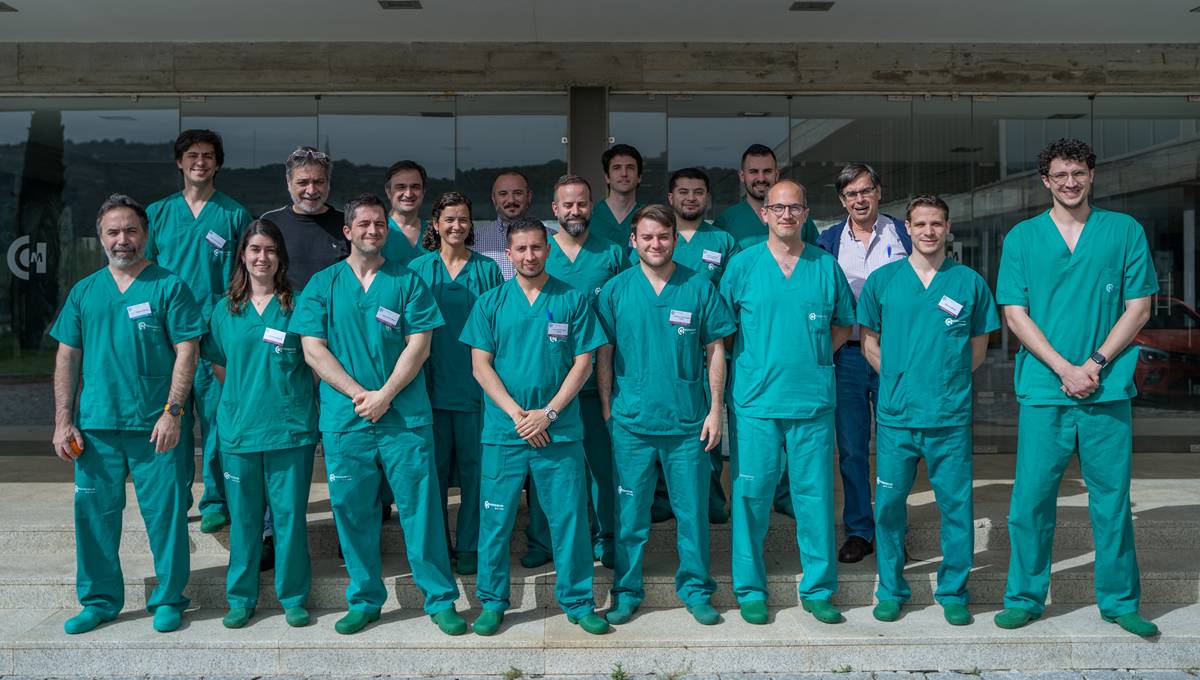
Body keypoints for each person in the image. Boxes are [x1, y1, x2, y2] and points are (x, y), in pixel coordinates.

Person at [995, 138, 1160, 637]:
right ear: (1045, 180)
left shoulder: (1124, 231)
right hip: (1045, 390)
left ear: (1092, 175)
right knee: (1031, 501)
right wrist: (1064, 368)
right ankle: (1024, 597)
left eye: (1079, 173)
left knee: (1111, 501)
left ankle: (1120, 601)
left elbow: (1139, 308)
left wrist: (1093, 363)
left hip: (1106, 389)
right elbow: (1015, 314)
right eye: (1061, 175)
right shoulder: (1022, 238)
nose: (1071, 182)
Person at [292, 193, 466, 636]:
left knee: (421, 509)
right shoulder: (323, 284)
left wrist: (385, 395)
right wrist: (360, 395)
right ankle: (365, 599)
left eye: (379, 224)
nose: (373, 231)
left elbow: (419, 345)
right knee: (352, 511)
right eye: (364, 224)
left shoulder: (407, 281)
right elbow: (313, 350)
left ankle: (440, 598)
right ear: (347, 231)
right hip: (346, 419)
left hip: (404, 418)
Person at [50, 194, 204, 634]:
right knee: (94, 517)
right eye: (113, 232)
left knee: (166, 516)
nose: (123, 239)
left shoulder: (169, 286)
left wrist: (173, 411)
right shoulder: (84, 292)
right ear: (100, 238)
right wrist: (63, 419)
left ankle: (169, 598)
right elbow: (67, 357)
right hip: (96, 426)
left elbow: (187, 351)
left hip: (155, 425)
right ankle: (99, 601)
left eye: (131, 230)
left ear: (145, 234)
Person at [460, 215, 610, 637]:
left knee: (569, 520)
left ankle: (578, 602)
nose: (530, 255)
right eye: (521, 248)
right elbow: (480, 366)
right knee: (496, 522)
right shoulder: (490, 303)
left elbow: (584, 363)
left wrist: (549, 414)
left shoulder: (571, 299)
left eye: (537, 247)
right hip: (505, 433)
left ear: (548, 250)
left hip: (558, 432)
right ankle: (492, 602)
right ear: (508, 254)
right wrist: (518, 416)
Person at [856, 194, 998, 626]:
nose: (929, 231)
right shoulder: (883, 281)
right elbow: (868, 343)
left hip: (948, 418)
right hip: (897, 417)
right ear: (908, 229)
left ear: (948, 227)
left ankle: (953, 590)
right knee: (888, 506)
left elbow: (977, 349)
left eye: (936, 223)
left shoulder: (969, 283)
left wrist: (944, 384)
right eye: (920, 224)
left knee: (956, 506)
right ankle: (891, 589)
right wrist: (899, 382)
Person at [719, 180, 854, 626]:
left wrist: (812, 358)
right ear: (764, 214)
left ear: (806, 213)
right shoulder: (742, 266)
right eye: (777, 208)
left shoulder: (825, 266)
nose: (786, 215)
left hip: (811, 403)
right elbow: (724, 332)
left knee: (814, 498)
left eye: (794, 207)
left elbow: (842, 325)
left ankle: (818, 589)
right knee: (751, 497)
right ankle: (750, 590)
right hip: (756, 403)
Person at [596, 204, 736, 626]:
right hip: (632, 423)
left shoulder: (698, 287)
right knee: (630, 516)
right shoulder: (616, 291)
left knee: (692, 513)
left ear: (675, 239)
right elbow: (604, 355)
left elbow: (716, 349)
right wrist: (607, 408)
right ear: (633, 241)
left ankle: (696, 589)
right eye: (647, 236)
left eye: (663, 236)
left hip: (687, 423)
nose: (655, 244)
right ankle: (626, 590)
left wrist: (715, 409)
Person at [202, 219, 319, 630]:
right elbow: (220, 365)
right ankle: (241, 597)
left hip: (290, 430)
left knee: (289, 519)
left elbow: (315, 365)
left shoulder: (299, 305)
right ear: (242, 256)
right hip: (240, 431)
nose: (262, 257)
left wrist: (283, 396)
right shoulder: (224, 310)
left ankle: (294, 597)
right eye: (254, 249)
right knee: (245, 521)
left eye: (270, 249)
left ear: (280, 257)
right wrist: (246, 394)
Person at [146, 129, 251, 534]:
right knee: (170, 416)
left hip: (214, 335)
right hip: (169, 336)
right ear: (180, 162)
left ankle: (215, 500)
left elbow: (245, 276)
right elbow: (145, 274)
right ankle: (174, 497)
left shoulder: (234, 215)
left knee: (216, 418)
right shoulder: (157, 214)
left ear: (218, 164)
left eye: (208, 156)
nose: (200, 162)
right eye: (192, 155)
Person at [525, 174, 626, 570]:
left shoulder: (611, 253)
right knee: (546, 467)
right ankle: (542, 539)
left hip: (599, 381)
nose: (575, 211)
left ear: (592, 205)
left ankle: (607, 538)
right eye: (567, 204)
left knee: (602, 466)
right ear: (555, 209)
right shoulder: (542, 254)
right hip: (550, 384)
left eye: (582, 203)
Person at [815, 162, 911, 563]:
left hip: (895, 355)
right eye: (851, 193)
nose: (860, 199)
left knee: (896, 446)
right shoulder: (827, 241)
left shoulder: (904, 233)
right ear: (842, 200)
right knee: (853, 449)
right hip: (849, 357)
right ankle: (859, 529)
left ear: (879, 191)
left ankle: (892, 530)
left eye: (866, 190)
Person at [409, 192, 504, 577]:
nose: (456, 226)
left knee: (475, 476)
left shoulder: (487, 270)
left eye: (463, 219)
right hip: (428, 393)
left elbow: (499, 332)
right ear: (435, 223)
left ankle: (469, 546)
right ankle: (436, 548)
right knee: (431, 476)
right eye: (449, 219)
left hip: (476, 393)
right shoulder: (418, 270)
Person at [666, 167, 740, 524]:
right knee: (663, 429)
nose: (691, 198)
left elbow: (733, 297)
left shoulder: (723, 241)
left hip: (709, 351)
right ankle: (663, 499)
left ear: (707, 198)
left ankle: (710, 499)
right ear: (671, 198)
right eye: (683, 191)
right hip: (666, 352)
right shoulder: (657, 236)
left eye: (698, 192)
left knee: (708, 429)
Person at [261, 147, 348, 291]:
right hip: (284, 305)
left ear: (328, 183)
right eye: (302, 182)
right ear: (288, 182)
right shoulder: (270, 222)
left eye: (319, 182)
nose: (311, 191)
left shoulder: (347, 223)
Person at [713, 143, 818, 250]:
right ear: (742, 176)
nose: (761, 178)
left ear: (776, 174)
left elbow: (817, 256)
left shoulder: (797, 218)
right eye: (753, 172)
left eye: (767, 171)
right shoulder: (725, 221)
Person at [472, 170, 534, 280]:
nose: (511, 200)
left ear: (529, 196)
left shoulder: (551, 238)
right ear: (494, 199)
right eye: (503, 194)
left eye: (518, 193)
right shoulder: (474, 240)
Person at [590, 144, 643, 247]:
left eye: (630, 168)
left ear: (639, 177)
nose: (624, 173)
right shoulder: (590, 216)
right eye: (617, 168)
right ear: (607, 177)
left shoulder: (648, 217)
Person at [380, 160, 430, 265]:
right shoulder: (376, 231)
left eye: (415, 187)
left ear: (423, 191)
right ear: (388, 192)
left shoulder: (436, 232)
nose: (408, 194)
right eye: (401, 187)